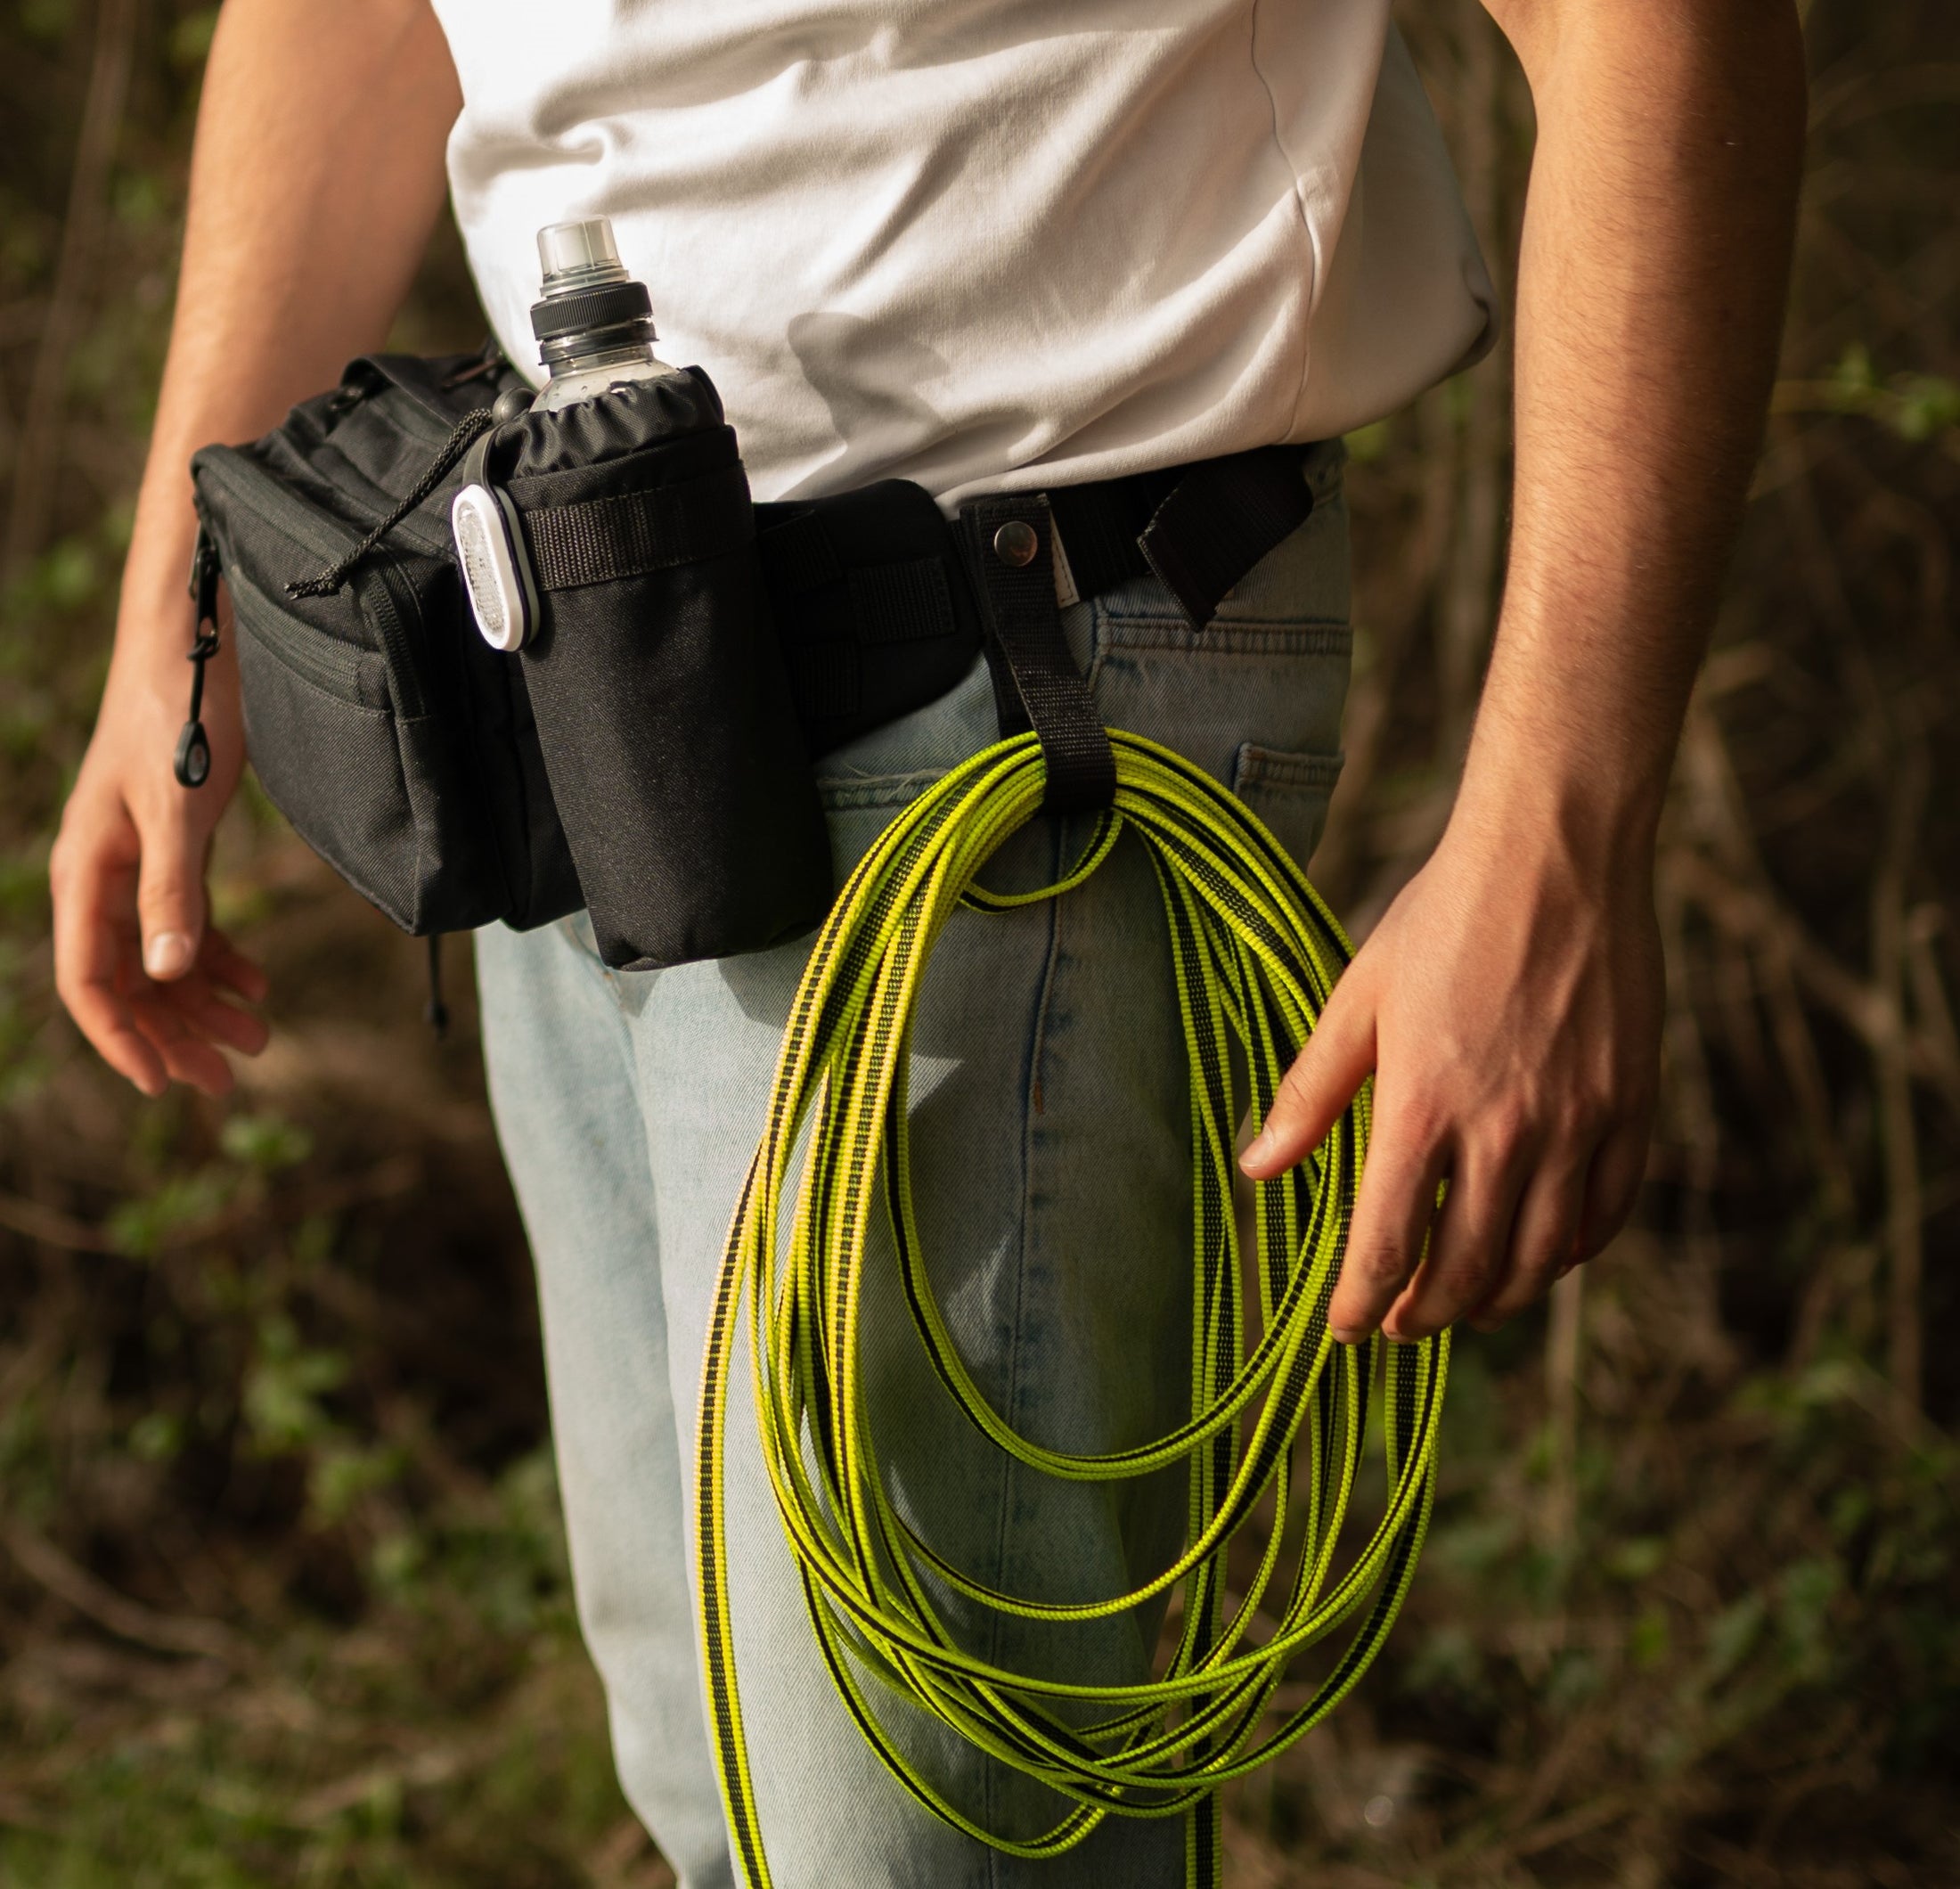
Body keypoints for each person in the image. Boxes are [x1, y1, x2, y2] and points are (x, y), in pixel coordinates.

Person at [49, 2, 1806, 1884]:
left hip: (1002, 687)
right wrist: (185, 611)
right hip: (580, 657)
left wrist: (1555, 823)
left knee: (915, 1841)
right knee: (718, 1789)